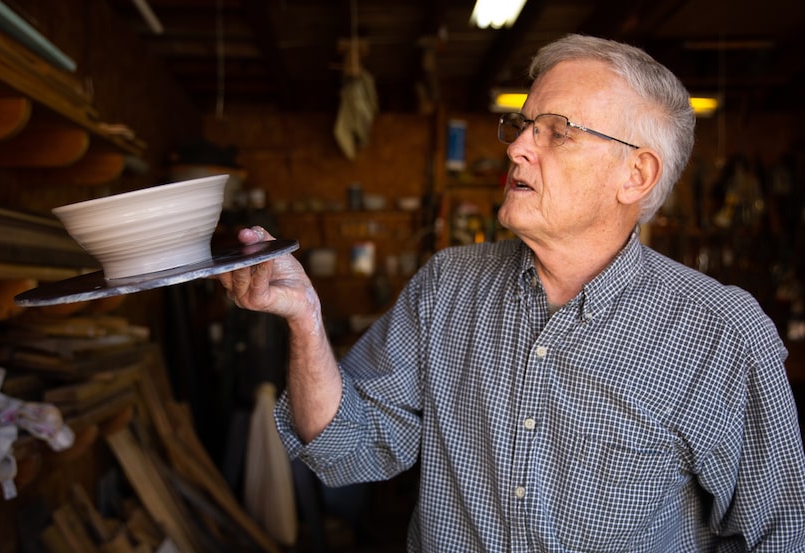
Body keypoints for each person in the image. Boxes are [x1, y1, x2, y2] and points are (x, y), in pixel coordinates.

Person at [218, 34, 805, 551]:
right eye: (525, 126)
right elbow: (347, 446)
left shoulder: (721, 333)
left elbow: (777, 535)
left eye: (558, 134)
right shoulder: (448, 286)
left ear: (636, 176)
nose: (517, 148)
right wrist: (305, 317)